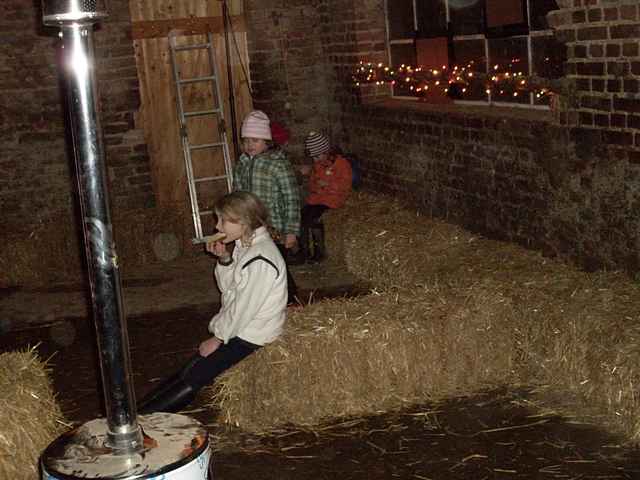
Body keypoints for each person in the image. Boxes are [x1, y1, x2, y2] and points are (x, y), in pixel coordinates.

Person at [138, 191, 287, 414]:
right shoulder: (245, 245)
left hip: (254, 334)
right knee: (190, 368)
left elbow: (242, 309)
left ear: (244, 221)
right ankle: (136, 413)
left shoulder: (261, 258)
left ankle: (145, 420)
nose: (217, 227)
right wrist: (225, 260)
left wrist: (218, 338)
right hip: (241, 327)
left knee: (197, 375)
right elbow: (229, 291)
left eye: (223, 220)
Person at [233, 110, 301, 302]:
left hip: (275, 227)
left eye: (255, 140)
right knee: (257, 265)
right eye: (246, 140)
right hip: (251, 226)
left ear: (267, 141)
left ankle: (291, 300)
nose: (249, 145)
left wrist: (291, 231)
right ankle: (266, 301)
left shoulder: (278, 164)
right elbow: (237, 194)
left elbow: (291, 197)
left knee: (278, 264)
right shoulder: (242, 164)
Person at [300, 132, 352, 263]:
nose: (315, 160)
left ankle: (319, 253)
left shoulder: (341, 164)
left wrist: (328, 184)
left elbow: (345, 184)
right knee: (301, 217)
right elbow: (312, 184)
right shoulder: (318, 165)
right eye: (313, 157)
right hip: (317, 199)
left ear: (326, 151)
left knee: (315, 219)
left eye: (317, 156)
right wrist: (315, 184)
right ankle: (304, 252)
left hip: (333, 199)